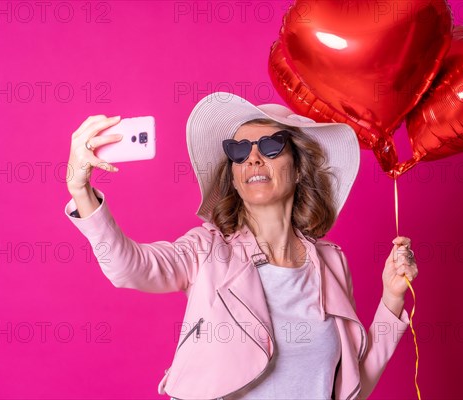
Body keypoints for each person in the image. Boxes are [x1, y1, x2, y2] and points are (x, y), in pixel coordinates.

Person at [64, 92, 418, 400]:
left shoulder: (330, 262)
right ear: (233, 176)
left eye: (270, 146)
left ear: (297, 169)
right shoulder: (206, 251)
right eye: (238, 150)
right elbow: (130, 268)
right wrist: (81, 191)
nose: (252, 158)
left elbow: (351, 386)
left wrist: (392, 299)